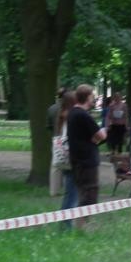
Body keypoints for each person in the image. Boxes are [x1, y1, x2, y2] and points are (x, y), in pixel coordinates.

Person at [67, 84, 106, 229]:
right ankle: (81, 226)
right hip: (87, 160)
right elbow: (100, 135)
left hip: (77, 159)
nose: (94, 100)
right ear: (88, 97)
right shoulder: (83, 115)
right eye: (92, 97)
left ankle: (81, 224)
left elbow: (89, 137)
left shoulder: (72, 113)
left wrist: (94, 138)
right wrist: (103, 132)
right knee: (90, 193)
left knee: (83, 191)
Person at [54, 90, 78, 227]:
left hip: (64, 159)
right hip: (72, 158)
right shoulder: (71, 117)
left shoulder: (61, 116)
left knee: (69, 192)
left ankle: (65, 221)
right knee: (72, 194)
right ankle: (66, 224)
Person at [47, 87, 67, 196]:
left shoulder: (51, 109)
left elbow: (48, 125)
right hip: (67, 138)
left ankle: (54, 190)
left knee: (55, 165)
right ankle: (68, 189)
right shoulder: (69, 109)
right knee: (69, 163)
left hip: (56, 138)